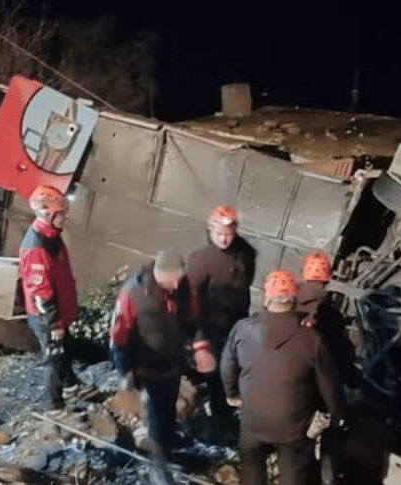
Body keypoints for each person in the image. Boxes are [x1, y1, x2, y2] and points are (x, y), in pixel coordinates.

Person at [221, 269, 343, 485]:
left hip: (253, 423)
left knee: (251, 471)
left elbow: (227, 365)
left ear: (266, 297)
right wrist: (335, 414)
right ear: (294, 299)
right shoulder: (312, 339)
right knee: (295, 474)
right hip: (293, 429)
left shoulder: (242, 329)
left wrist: (232, 395)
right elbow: (329, 385)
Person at [109, 249, 214, 460]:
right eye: (170, 281)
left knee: (169, 406)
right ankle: (158, 460)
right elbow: (118, 335)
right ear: (158, 275)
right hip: (147, 366)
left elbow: (195, 320)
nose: (175, 286)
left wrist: (201, 348)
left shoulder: (184, 288)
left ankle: (167, 441)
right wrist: (124, 370)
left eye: (179, 280)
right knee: (157, 413)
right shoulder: (134, 293)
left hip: (172, 363)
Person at [186, 204, 256, 432]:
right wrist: (199, 341)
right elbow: (190, 303)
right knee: (208, 371)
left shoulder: (245, 253)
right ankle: (206, 415)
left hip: (234, 323)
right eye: (219, 234)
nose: (225, 240)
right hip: (208, 326)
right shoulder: (200, 260)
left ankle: (223, 415)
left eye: (229, 235)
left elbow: (245, 285)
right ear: (210, 230)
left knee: (228, 370)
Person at [19, 184, 86, 411]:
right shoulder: (38, 247)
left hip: (55, 313)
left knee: (63, 348)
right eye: (61, 215)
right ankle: (53, 406)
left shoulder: (51, 237)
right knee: (54, 358)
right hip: (46, 317)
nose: (64, 219)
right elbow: (40, 292)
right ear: (47, 214)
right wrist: (54, 322)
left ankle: (71, 385)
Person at [297, 250, 359, 388]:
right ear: (328, 278)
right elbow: (342, 358)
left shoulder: (283, 307)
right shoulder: (332, 317)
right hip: (310, 389)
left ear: (303, 274)